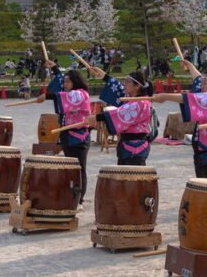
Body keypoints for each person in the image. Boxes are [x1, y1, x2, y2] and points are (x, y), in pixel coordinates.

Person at [151, 58, 207, 179]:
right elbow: (198, 79)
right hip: (204, 151)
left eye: (205, 84)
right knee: (203, 186)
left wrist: (165, 96)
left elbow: (188, 98)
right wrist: (189, 65)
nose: (201, 87)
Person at [37, 63, 92, 207]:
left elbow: (65, 96)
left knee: (79, 168)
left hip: (79, 137)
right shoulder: (70, 93)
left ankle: (79, 199)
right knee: (70, 167)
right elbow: (63, 92)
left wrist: (46, 96)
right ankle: (71, 196)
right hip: (67, 134)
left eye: (68, 81)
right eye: (65, 81)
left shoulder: (80, 94)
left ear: (75, 82)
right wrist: (55, 68)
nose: (65, 84)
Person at [88, 66, 154, 165]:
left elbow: (120, 113)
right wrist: (104, 76)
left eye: (128, 82)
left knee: (133, 173)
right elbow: (117, 88)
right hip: (126, 143)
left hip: (136, 146)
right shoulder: (130, 98)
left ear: (137, 86)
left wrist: (97, 117)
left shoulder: (141, 102)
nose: (124, 84)